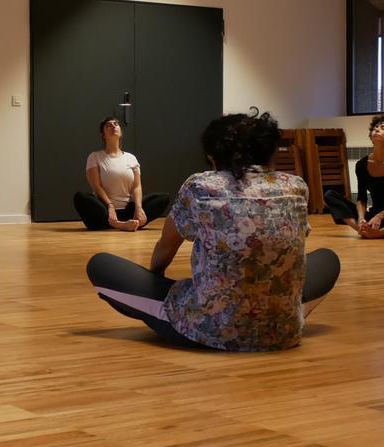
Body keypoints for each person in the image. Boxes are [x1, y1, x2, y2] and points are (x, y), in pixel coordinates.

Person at [86, 110, 341, 351]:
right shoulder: (296, 186)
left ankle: (203, 321)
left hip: (210, 330)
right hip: (284, 330)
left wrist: (155, 282)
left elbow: (166, 247)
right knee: (328, 259)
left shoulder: (200, 186)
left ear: (213, 156)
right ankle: (279, 315)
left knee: (100, 265)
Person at [73, 116, 170, 232]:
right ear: (103, 135)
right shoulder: (94, 157)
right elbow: (96, 187)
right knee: (80, 197)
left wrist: (138, 208)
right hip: (105, 210)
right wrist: (110, 206)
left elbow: (137, 186)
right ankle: (119, 224)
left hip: (128, 211)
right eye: (108, 126)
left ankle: (133, 221)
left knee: (163, 198)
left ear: (121, 132)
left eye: (116, 124)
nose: (113, 126)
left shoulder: (131, 158)